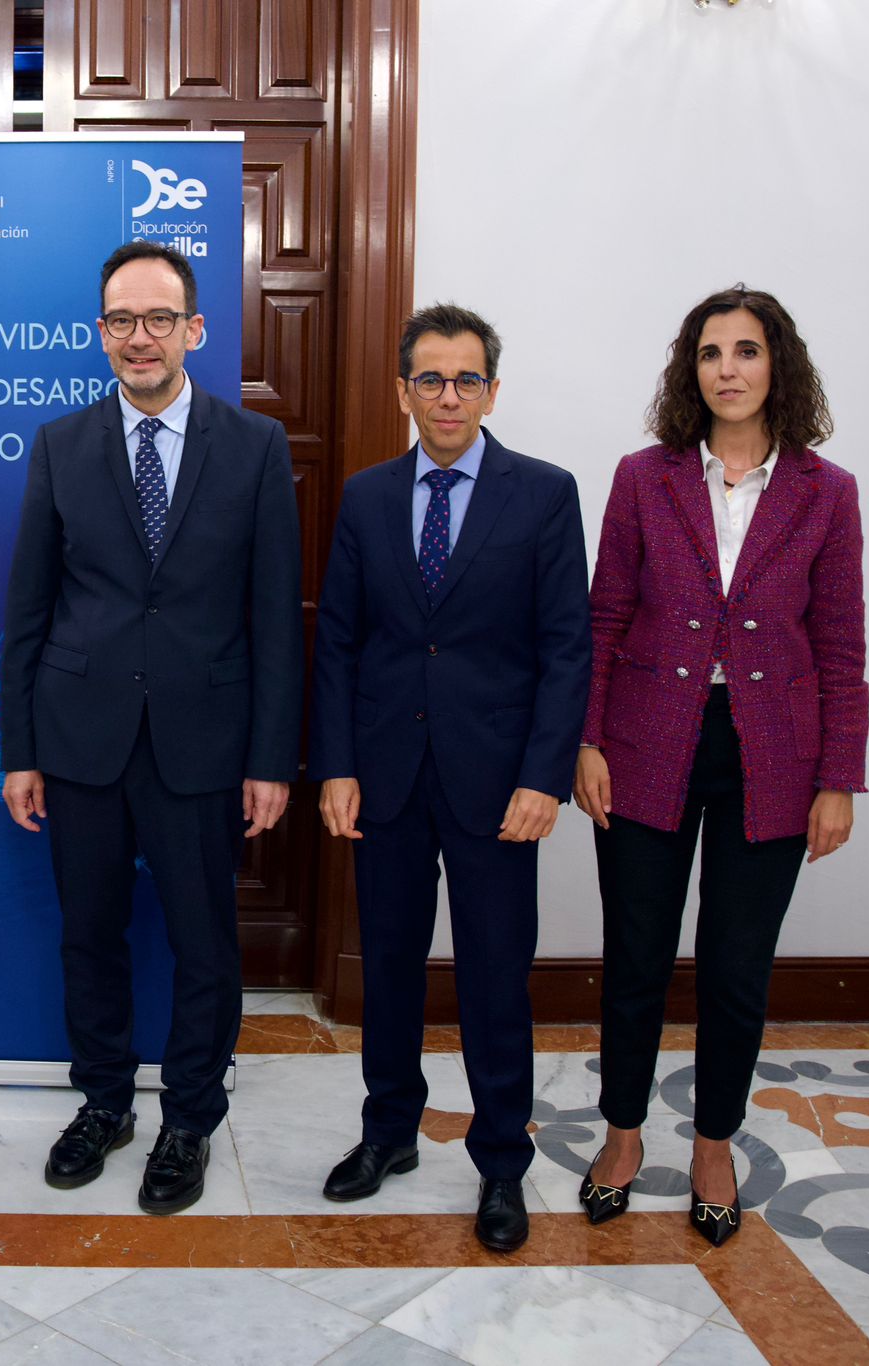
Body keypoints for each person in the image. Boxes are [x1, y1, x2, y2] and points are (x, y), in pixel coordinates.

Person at [0, 241, 302, 1216]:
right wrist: (20, 751)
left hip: (202, 743)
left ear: (193, 330)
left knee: (201, 940)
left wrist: (269, 757)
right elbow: (28, 610)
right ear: (100, 335)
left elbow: (272, 615)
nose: (140, 337)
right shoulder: (58, 443)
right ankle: (102, 1103)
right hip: (78, 736)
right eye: (121, 321)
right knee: (87, 935)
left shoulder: (252, 447)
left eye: (158, 319)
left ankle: (187, 1115)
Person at [573, 285, 864, 1247]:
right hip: (648, 743)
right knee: (637, 960)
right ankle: (621, 1137)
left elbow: (841, 644)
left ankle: (711, 1144)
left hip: (772, 756)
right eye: (709, 353)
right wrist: (587, 741)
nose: (727, 369)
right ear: (689, 372)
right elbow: (604, 616)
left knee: (738, 966)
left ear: (778, 366)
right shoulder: (643, 476)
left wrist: (836, 778)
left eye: (745, 351)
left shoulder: (827, 492)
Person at [310, 303, 589, 1252]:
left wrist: (545, 776)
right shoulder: (368, 495)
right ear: (404, 392)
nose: (449, 395)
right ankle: (388, 1131)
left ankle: (502, 1162)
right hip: (385, 777)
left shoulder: (544, 494)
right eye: (430, 378)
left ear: (493, 391)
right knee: (388, 969)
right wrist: (336, 764)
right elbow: (339, 640)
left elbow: (566, 648)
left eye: (467, 378)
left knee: (494, 982)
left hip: (498, 784)